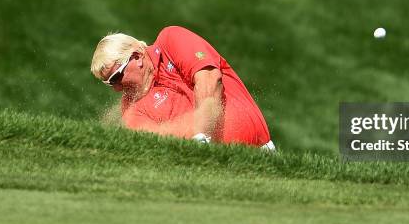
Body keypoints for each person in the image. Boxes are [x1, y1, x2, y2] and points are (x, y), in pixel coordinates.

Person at [90, 26, 275, 149]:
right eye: (110, 83)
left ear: (137, 56)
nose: (116, 88)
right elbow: (158, 142)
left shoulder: (170, 40)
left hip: (260, 156)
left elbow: (210, 79)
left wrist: (201, 136)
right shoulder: (131, 109)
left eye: (116, 77)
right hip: (213, 172)